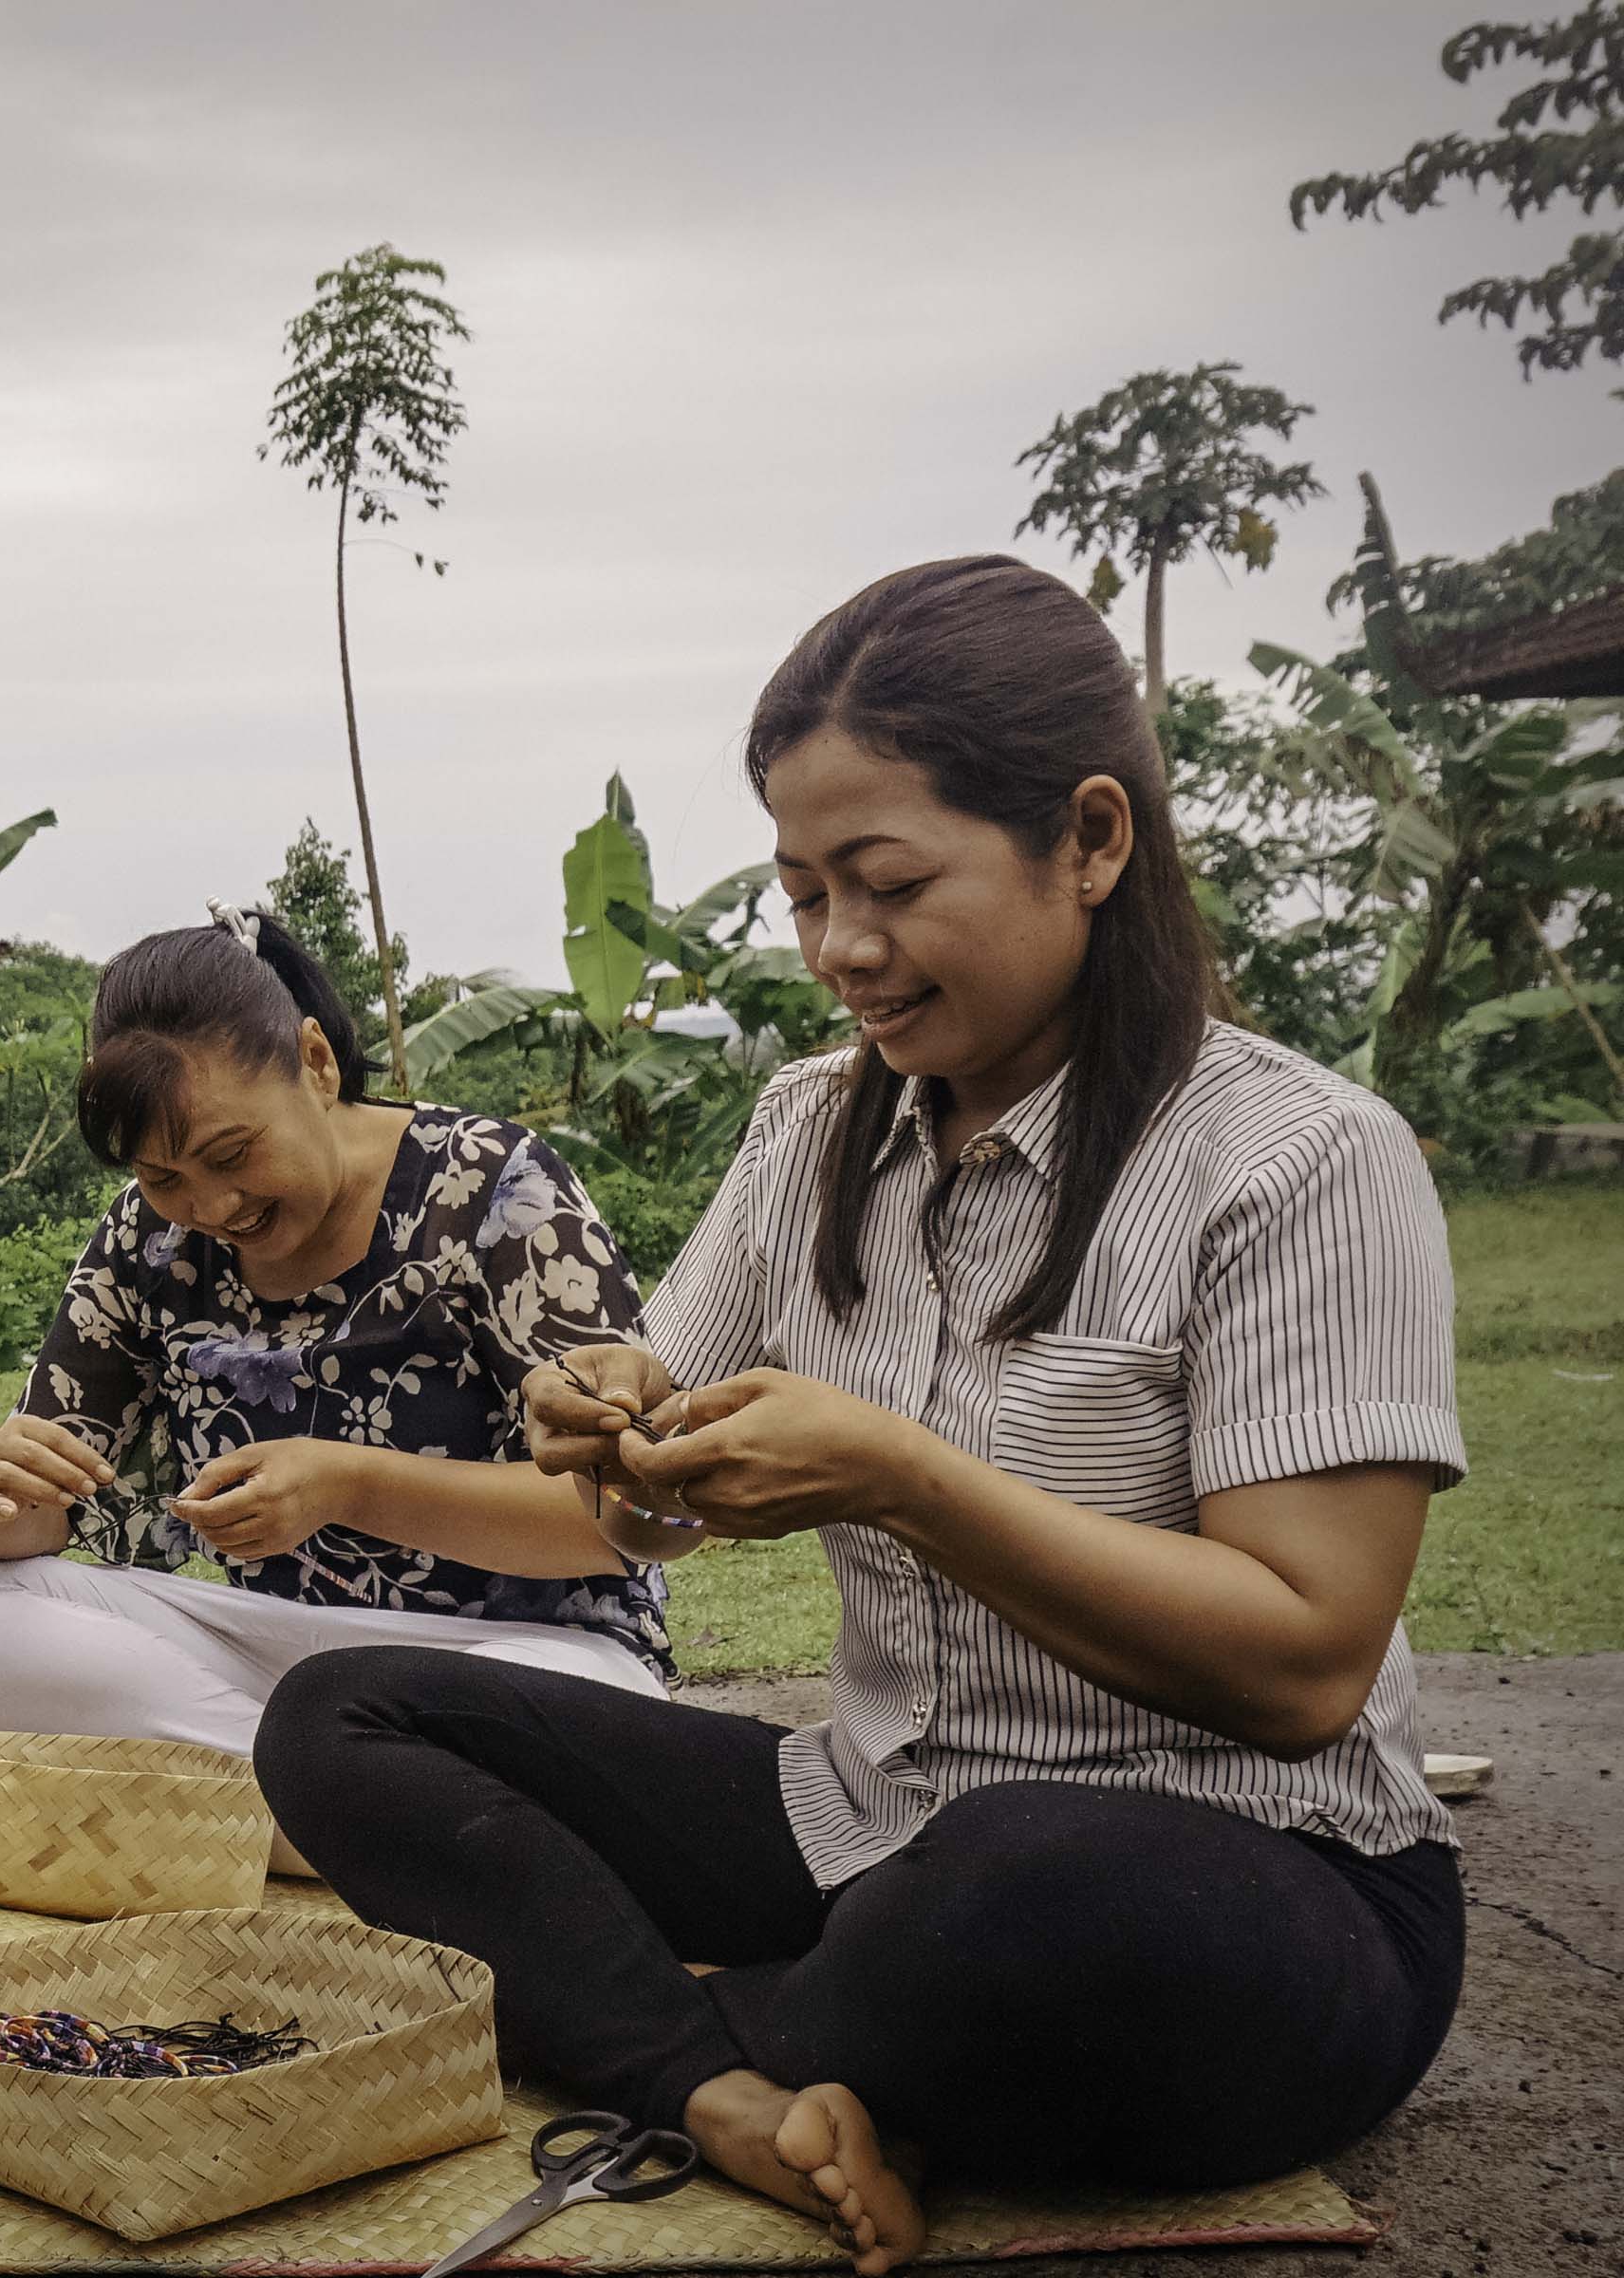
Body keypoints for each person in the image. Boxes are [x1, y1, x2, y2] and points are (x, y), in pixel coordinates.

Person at [255, 557, 1467, 2274]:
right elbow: (644, 1479)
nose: (840, 952)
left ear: (1093, 840)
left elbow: (1304, 1662)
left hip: (1235, 1877)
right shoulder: (814, 1127)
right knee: (343, 1717)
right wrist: (614, 1429)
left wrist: (905, 1479)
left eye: (888, 885)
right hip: (870, 1817)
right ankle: (744, 2085)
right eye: (803, 893)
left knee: (1020, 1890)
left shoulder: (1298, 1162)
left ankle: (663, 2029)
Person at [0, 907, 671, 1805]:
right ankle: (364, 1809)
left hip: (513, 1660)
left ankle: (253, 1805)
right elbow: (39, 1513)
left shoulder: (493, 1186)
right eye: (162, 1178)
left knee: (581, 1714)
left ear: (315, 1063)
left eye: (231, 1154)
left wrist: (346, 1483)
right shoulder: (145, 1241)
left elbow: (618, 1516)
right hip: (265, 1658)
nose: (208, 1206)